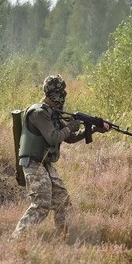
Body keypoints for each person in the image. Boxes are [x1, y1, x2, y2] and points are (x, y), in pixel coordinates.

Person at [12, 74, 110, 238]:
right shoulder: (38, 112)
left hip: (45, 164)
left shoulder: (53, 113)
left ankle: (63, 238)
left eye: (62, 93)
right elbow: (54, 137)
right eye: (58, 93)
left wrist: (92, 129)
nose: (61, 97)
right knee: (41, 204)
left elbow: (70, 138)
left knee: (63, 202)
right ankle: (18, 239)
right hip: (33, 163)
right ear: (49, 94)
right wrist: (71, 126)